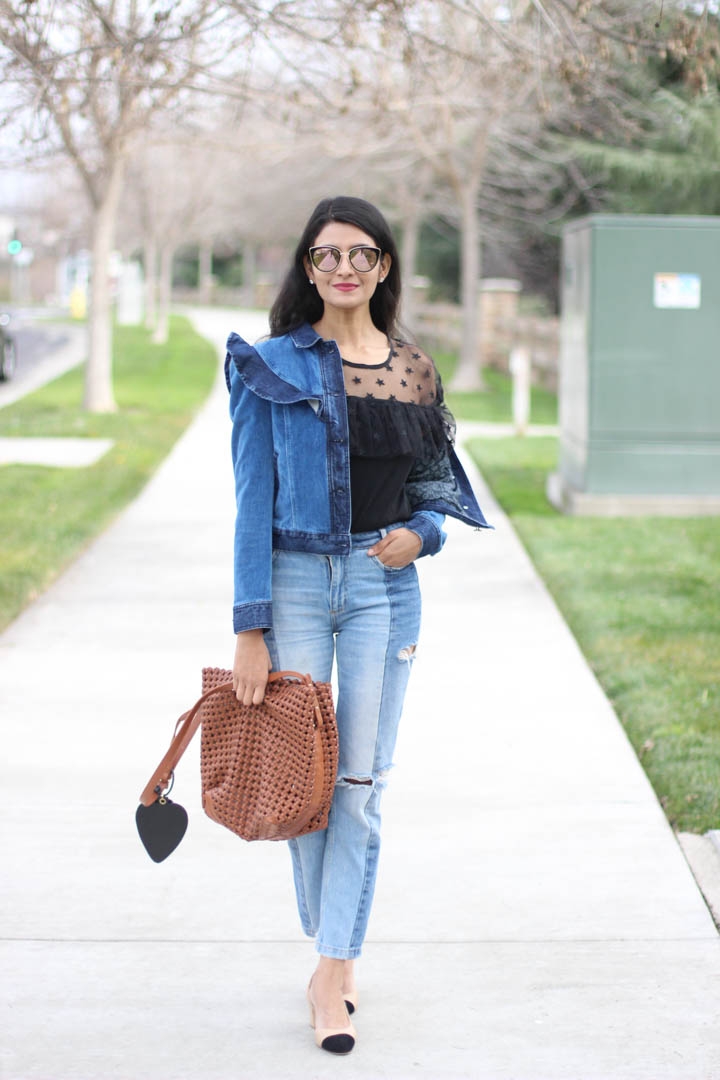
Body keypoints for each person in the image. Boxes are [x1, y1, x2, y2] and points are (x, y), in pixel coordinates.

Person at [225, 195, 490, 1055]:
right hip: (297, 581)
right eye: (326, 255)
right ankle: (330, 940)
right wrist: (249, 627)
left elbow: (432, 488)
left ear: (383, 268)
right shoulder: (270, 365)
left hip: (385, 587)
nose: (343, 268)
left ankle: (334, 971)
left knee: (360, 787)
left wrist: (427, 534)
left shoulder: (413, 368)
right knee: (307, 787)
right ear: (308, 267)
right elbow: (249, 502)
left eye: (360, 254)